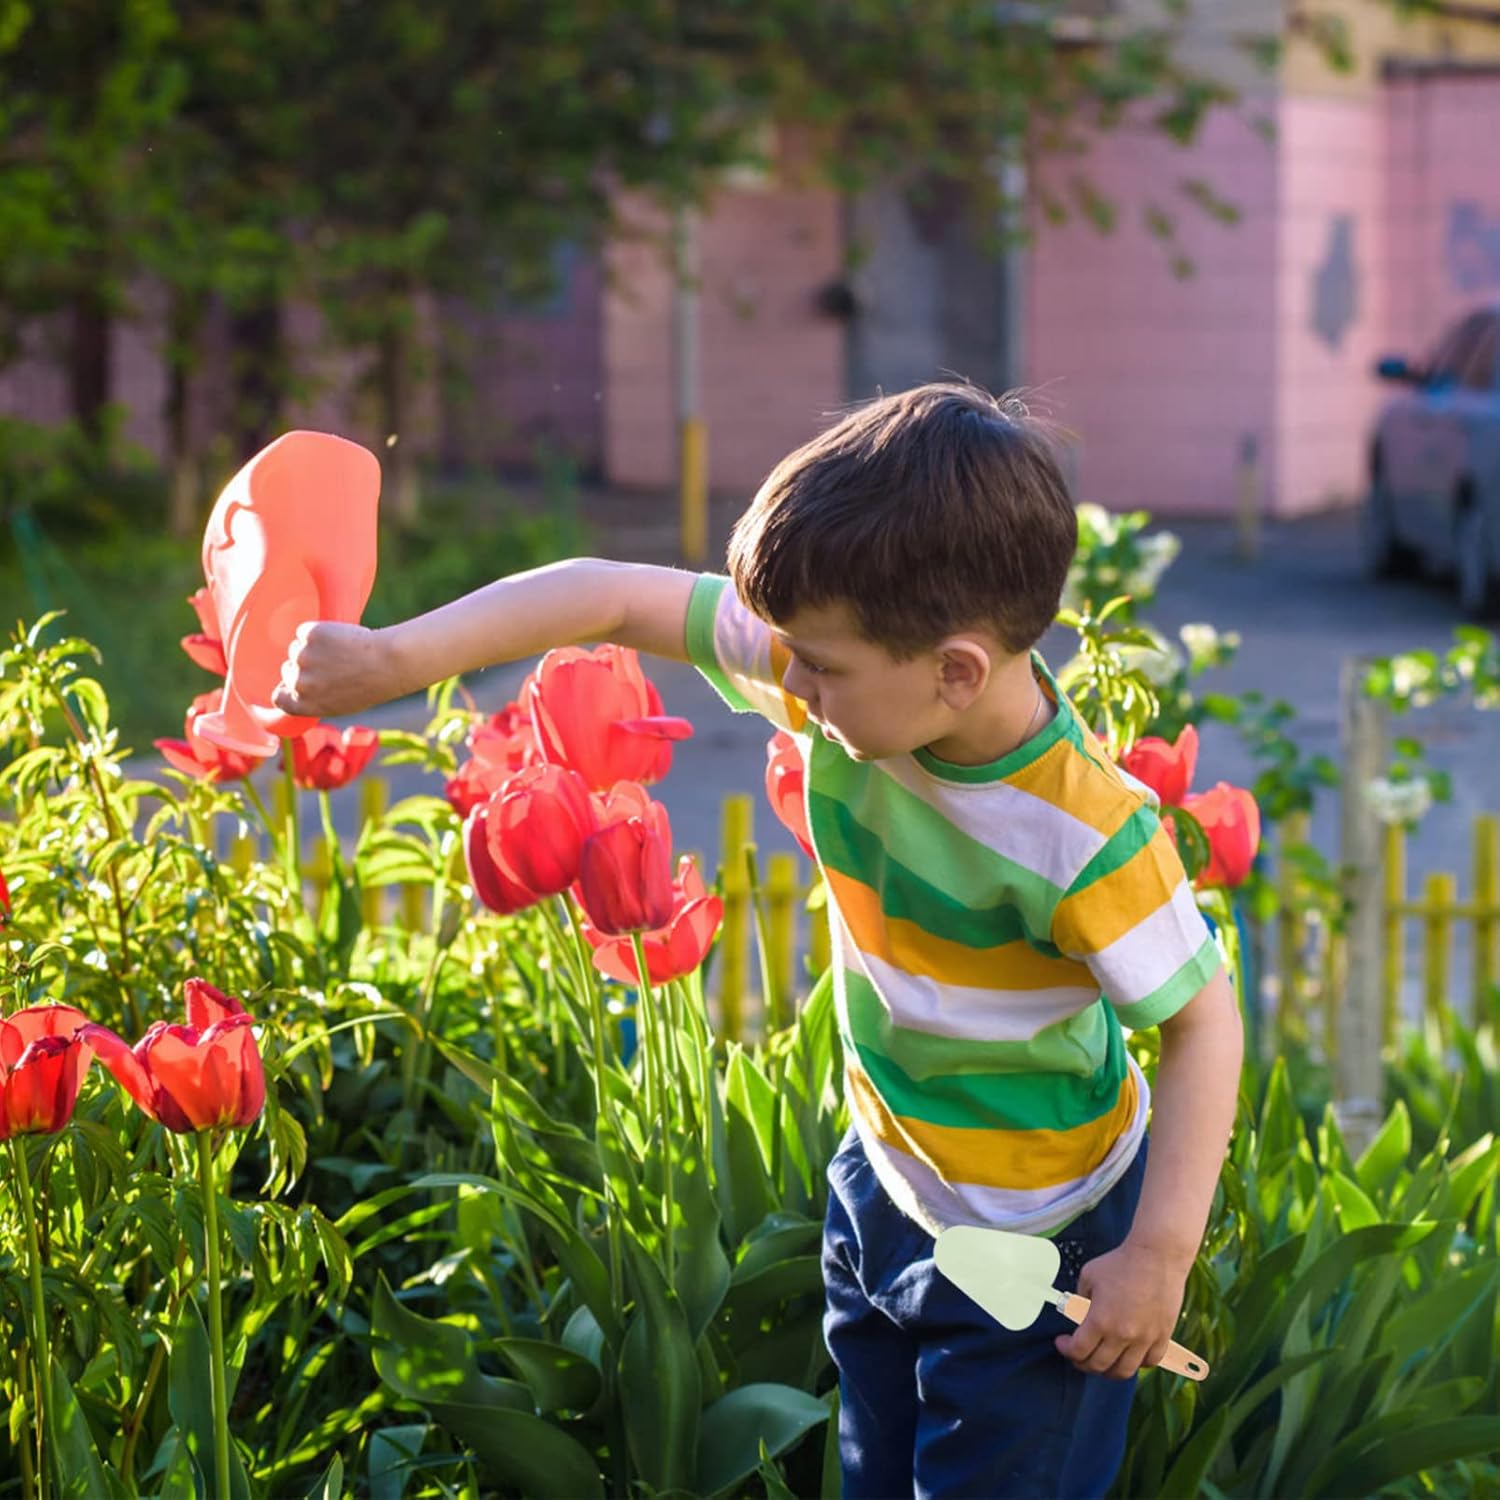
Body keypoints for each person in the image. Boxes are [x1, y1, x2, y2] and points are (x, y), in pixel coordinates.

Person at [273, 382, 1243, 1498]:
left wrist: (1157, 1256)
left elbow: (1204, 1024)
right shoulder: (849, 661)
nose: (791, 683)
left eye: (820, 668)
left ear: (957, 671)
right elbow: (607, 594)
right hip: (886, 1184)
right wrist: (394, 661)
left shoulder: (1087, 836)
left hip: (1042, 1241)